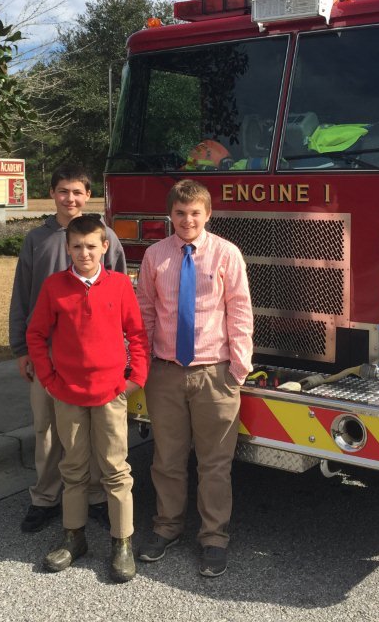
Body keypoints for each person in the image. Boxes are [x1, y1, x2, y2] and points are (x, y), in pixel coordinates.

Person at [135, 179, 253, 578]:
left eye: (195, 213)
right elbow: (146, 311)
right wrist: (143, 362)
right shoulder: (155, 256)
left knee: (214, 463)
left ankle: (214, 538)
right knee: (166, 459)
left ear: (208, 215)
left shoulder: (226, 254)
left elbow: (239, 311)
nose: (187, 220)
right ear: (171, 214)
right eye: (180, 213)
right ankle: (166, 527)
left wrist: (238, 368)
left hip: (214, 374)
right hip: (166, 373)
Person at [26, 215, 149, 582]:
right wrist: (49, 379)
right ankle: (73, 537)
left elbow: (138, 335)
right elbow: (36, 336)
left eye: (91, 246)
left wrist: (136, 378)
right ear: (68, 248)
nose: (84, 253)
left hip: (111, 394)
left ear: (104, 247)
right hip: (69, 395)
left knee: (115, 470)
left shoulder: (120, 286)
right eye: (77, 246)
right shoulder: (54, 287)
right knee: (74, 469)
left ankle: (121, 542)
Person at [8, 165, 126, 533]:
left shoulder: (106, 238)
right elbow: (22, 296)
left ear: (88, 195)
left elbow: (122, 296)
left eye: (77, 192)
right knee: (46, 430)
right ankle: (45, 497)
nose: (69, 198)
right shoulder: (37, 240)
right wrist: (21, 348)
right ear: (53, 193)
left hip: (93, 360)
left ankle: (93, 497)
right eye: (62, 191)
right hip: (48, 354)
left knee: (90, 432)